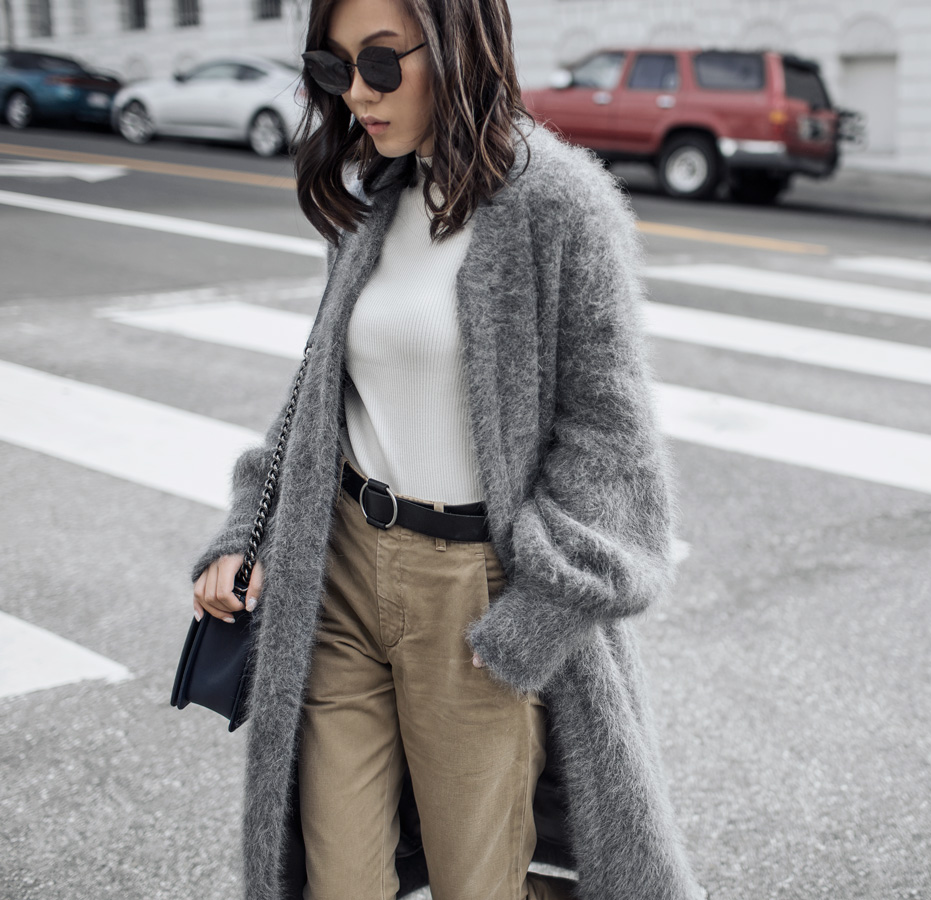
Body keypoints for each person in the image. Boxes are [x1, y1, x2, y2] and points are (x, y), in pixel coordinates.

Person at [189, 0, 705, 899]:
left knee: (480, 884)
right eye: (333, 69)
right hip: (340, 577)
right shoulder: (374, 200)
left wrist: (532, 620)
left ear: (462, 43)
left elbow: (610, 446)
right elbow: (319, 396)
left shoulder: (561, 205)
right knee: (336, 880)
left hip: (475, 601)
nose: (356, 95)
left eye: (382, 64)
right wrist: (247, 528)